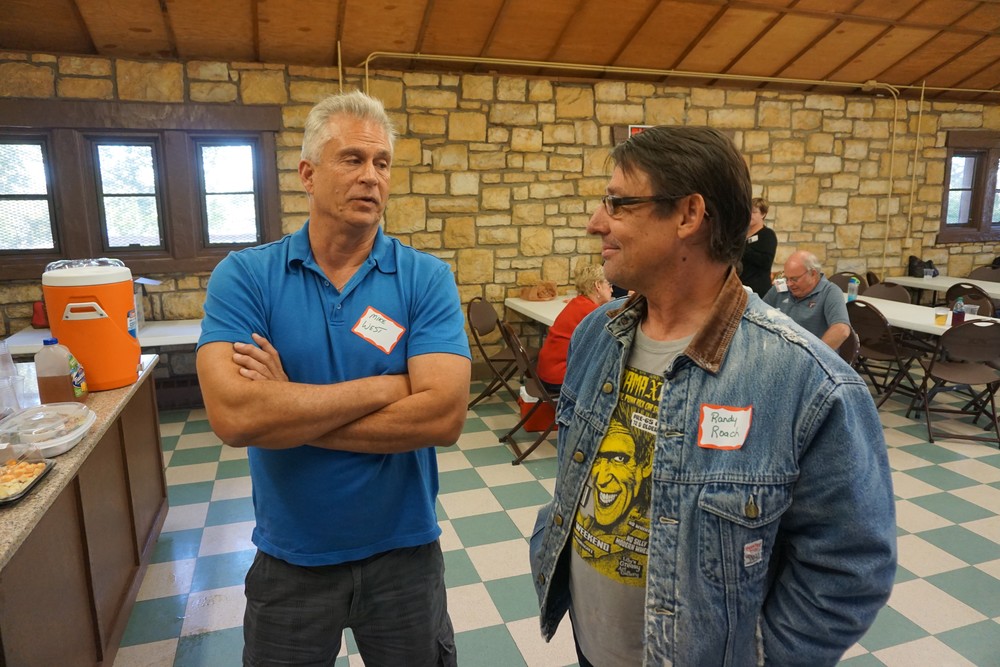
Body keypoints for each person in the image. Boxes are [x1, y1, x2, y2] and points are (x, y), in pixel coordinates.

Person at [529, 126, 896, 666]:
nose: (595, 223)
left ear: (688, 215)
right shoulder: (596, 335)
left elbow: (849, 567)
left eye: (618, 203)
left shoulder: (806, 379)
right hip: (591, 646)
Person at [195, 91, 470, 667]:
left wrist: (285, 406)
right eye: (352, 159)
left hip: (404, 554)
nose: (371, 176)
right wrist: (390, 386)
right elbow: (236, 417)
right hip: (291, 557)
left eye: (382, 163)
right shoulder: (246, 276)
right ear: (308, 174)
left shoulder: (424, 278)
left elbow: (443, 417)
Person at [536, 263, 613, 395]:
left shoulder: (577, 303)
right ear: (598, 286)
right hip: (560, 377)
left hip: (545, 372)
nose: (612, 290)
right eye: (609, 285)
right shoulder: (592, 312)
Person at [762, 250, 852, 350]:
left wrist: (813, 355)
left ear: (813, 273)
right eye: (786, 278)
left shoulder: (830, 292)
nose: (789, 284)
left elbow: (841, 330)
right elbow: (759, 314)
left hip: (811, 354)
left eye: (794, 279)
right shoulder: (780, 287)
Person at [738, 196, 777, 297]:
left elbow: (766, 261)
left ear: (763, 214)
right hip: (740, 285)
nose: (749, 215)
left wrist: (743, 249)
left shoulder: (767, 235)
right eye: (748, 211)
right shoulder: (741, 234)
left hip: (757, 288)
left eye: (754, 212)